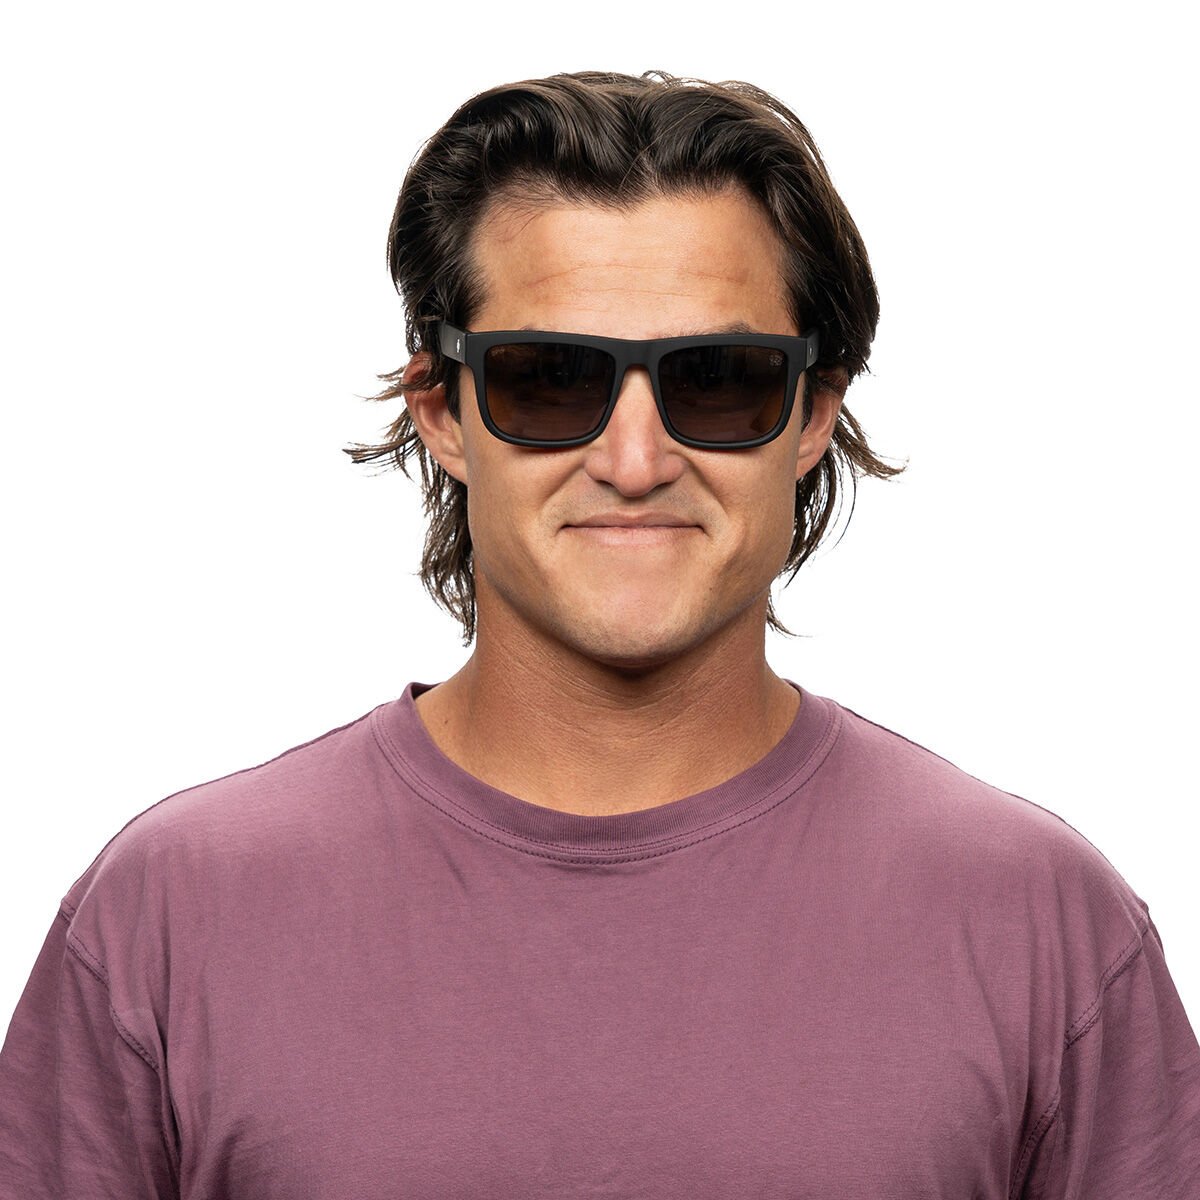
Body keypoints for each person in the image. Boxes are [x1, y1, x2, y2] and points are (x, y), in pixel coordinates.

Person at [1, 68, 1197, 1199]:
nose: (634, 460)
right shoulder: (169, 918)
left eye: (719, 379)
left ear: (812, 416)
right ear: (443, 411)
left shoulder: (1041, 924)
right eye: (549, 379)